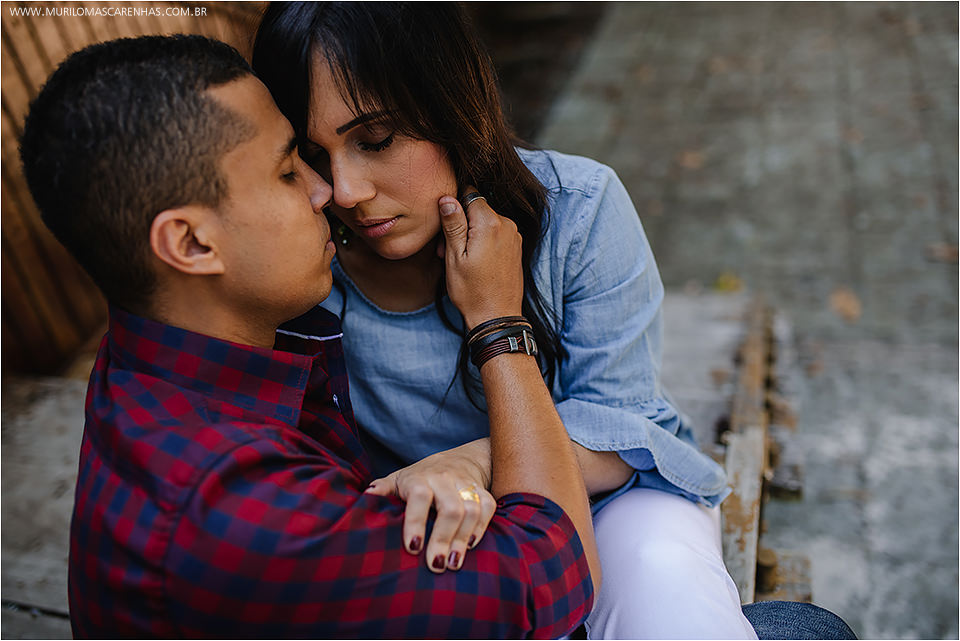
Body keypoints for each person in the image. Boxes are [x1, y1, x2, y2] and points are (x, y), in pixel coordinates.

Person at [19, 34, 601, 638]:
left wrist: (465, 462)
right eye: (287, 171)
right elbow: (554, 571)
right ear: (191, 243)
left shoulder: (143, 364)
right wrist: (498, 324)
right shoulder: (248, 514)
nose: (330, 192)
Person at [251, 3, 754, 638]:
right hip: (429, 533)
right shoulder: (305, 264)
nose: (346, 191)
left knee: (662, 576)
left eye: (376, 141)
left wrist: (469, 460)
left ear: (450, 100)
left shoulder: (578, 210)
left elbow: (624, 425)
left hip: (609, 507)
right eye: (314, 155)